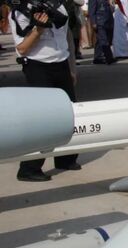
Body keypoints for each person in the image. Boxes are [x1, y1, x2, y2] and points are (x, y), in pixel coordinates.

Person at [11, 5, 81, 181]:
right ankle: (29, 168)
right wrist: (39, 29)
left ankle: (66, 159)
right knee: (42, 119)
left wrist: (71, 68)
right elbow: (22, 49)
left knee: (70, 114)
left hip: (61, 63)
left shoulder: (60, 7)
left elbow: (66, 39)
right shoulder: (20, 11)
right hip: (38, 66)